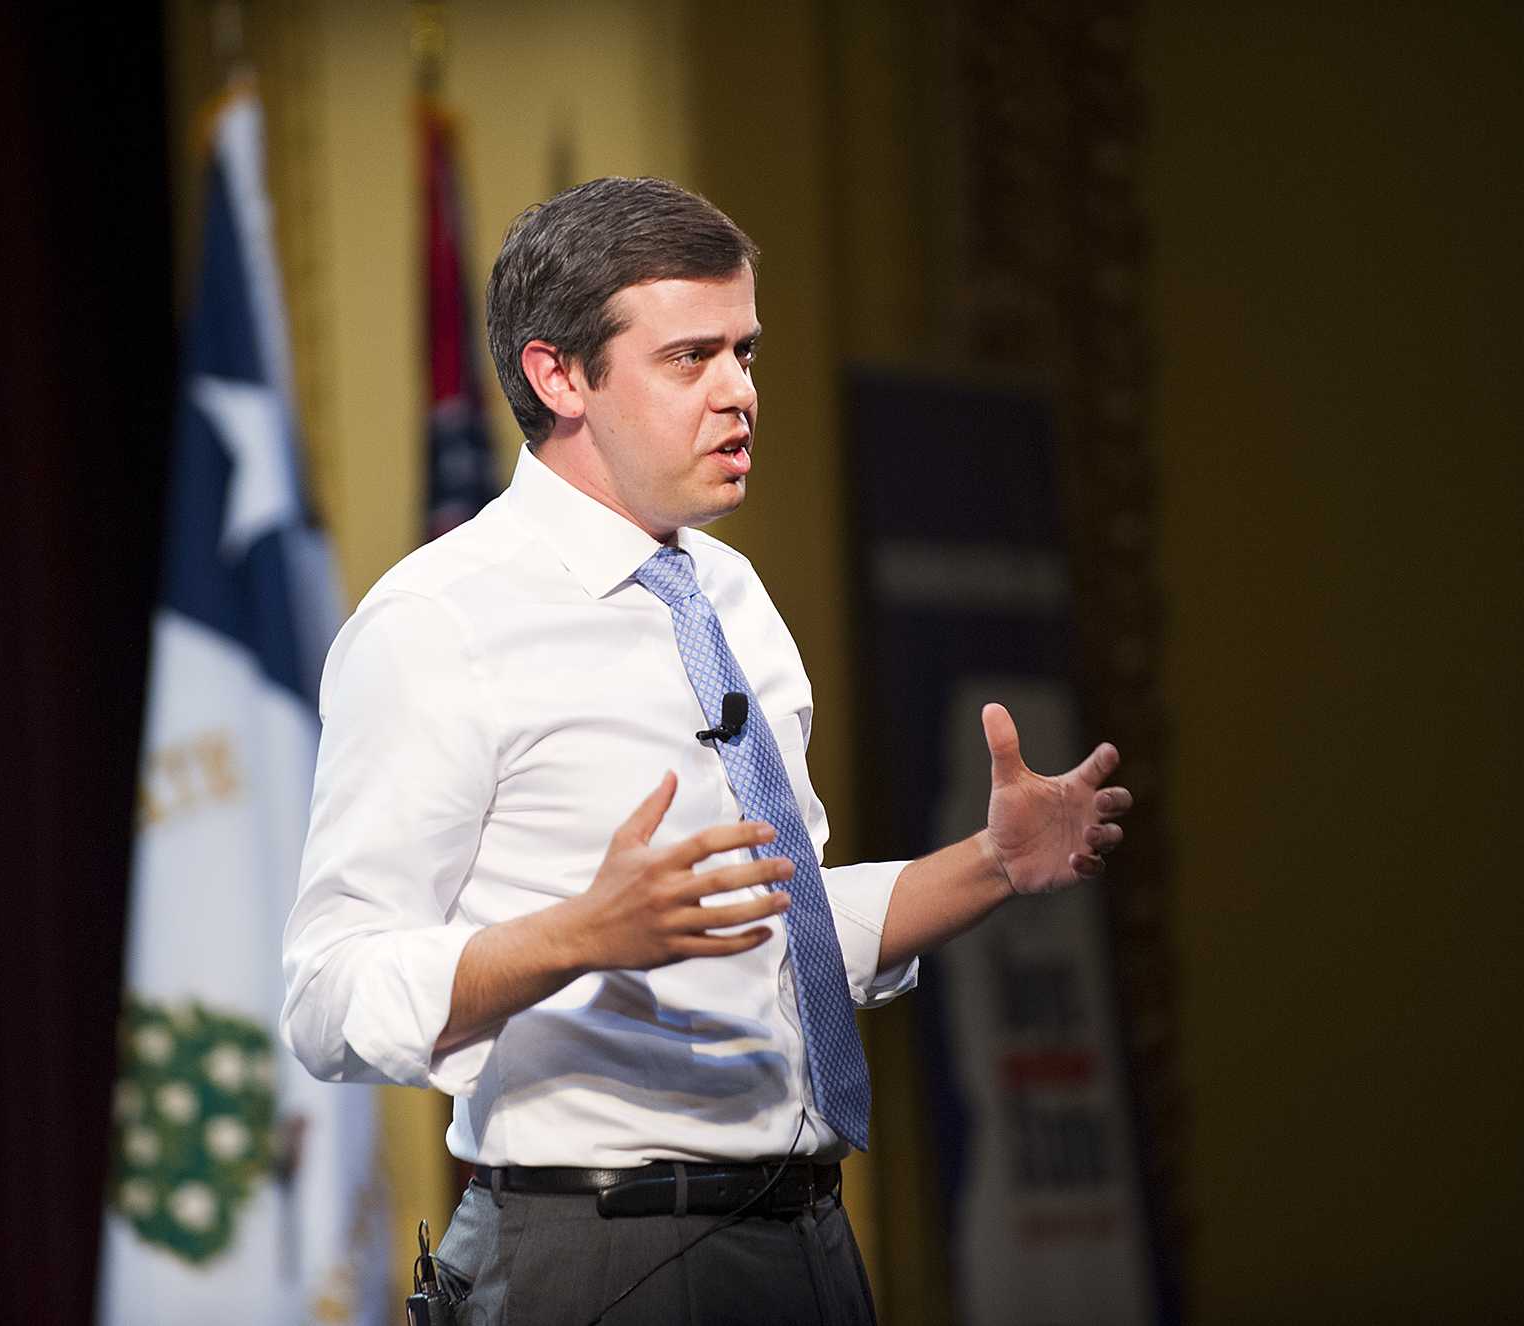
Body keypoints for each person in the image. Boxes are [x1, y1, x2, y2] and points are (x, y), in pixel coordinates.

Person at [280, 177, 1130, 1325]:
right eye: (691, 359)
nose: (741, 393)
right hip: (599, 1252)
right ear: (558, 376)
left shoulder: (726, 591)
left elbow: (777, 926)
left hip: (805, 1239)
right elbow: (329, 997)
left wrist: (991, 864)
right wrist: (581, 935)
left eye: (747, 351)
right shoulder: (437, 623)